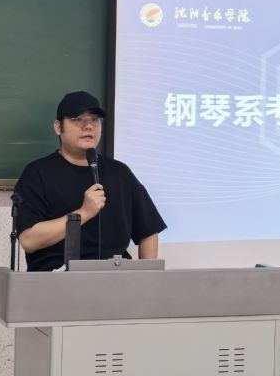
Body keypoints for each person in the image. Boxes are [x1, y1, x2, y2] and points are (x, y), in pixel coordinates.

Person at [14, 90, 166, 271]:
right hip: (56, 280)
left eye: (94, 119)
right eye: (77, 119)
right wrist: (83, 213)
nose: (88, 126)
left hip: (116, 278)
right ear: (58, 127)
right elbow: (29, 240)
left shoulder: (120, 172)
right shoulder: (38, 173)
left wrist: (146, 277)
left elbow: (148, 231)